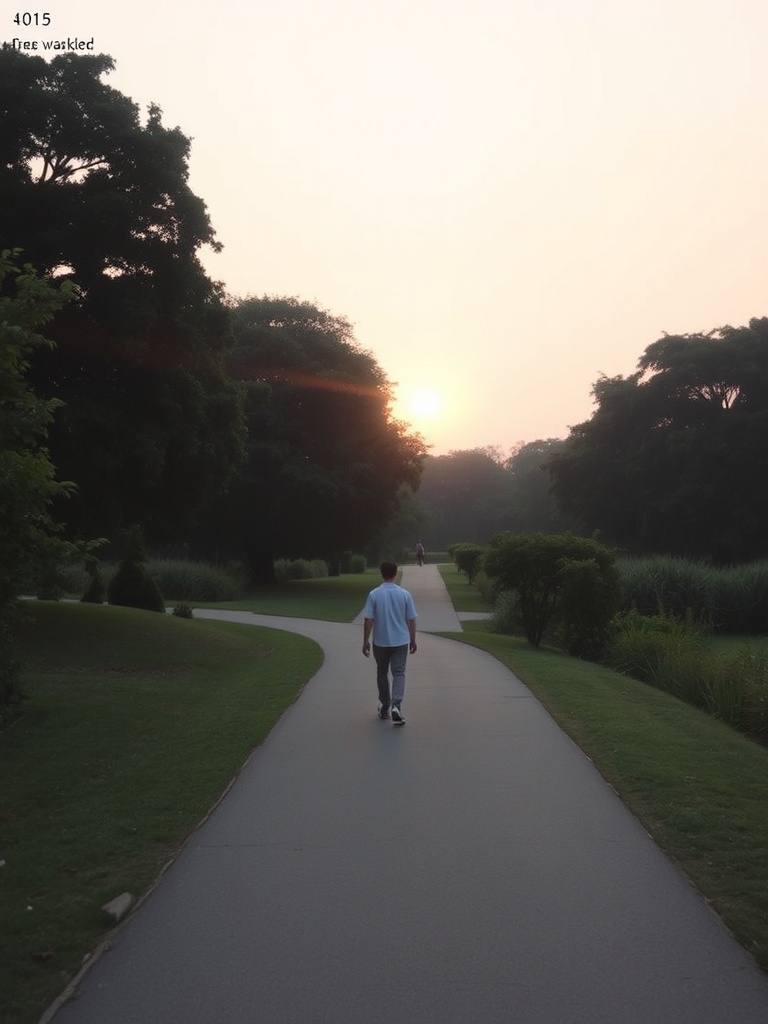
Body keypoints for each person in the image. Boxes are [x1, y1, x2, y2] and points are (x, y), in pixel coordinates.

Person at [362, 561, 418, 725]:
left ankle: (385, 705)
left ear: (382, 573)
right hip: (401, 640)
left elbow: (369, 620)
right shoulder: (404, 594)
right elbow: (412, 619)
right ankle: (396, 706)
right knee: (399, 673)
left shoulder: (374, 594)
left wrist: (365, 640)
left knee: (382, 673)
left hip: (381, 641)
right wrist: (413, 640)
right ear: (395, 573)